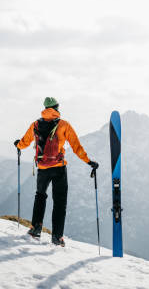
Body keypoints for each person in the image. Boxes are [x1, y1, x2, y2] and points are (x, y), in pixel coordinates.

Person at [14, 97, 98, 247]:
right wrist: (89, 161)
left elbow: (25, 141)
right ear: (57, 108)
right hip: (59, 167)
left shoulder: (36, 124)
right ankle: (57, 237)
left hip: (43, 168)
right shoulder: (63, 125)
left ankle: (35, 229)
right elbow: (76, 146)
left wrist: (18, 145)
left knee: (40, 196)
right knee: (60, 203)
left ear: (45, 108)